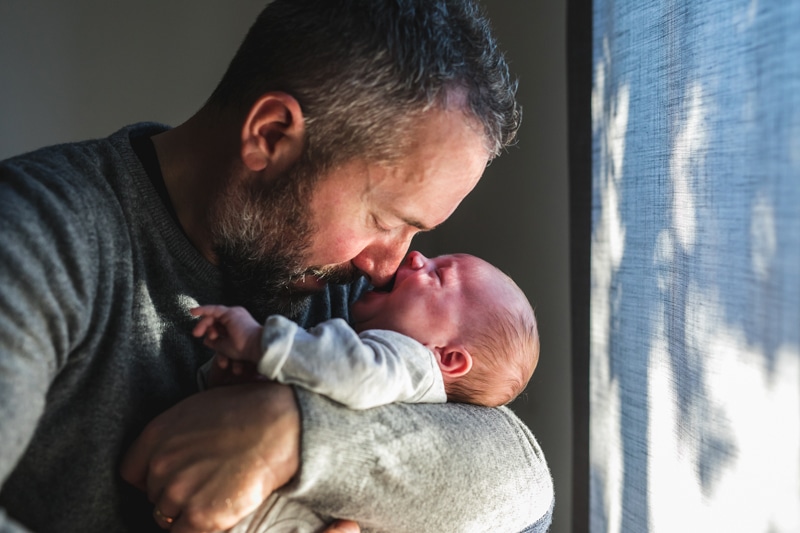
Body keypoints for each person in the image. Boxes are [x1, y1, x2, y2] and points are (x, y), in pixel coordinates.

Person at [0, 1, 554, 532]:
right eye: (385, 219)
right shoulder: (36, 236)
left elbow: (524, 498)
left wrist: (291, 435)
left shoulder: (349, 287)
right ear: (270, 136)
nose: (388, 266)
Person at [192, 250, 540, 409]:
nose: (416, 255)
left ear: (447, 357)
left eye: (436, 275)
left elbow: (352, 372)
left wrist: (256, 341)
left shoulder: (410, 364)